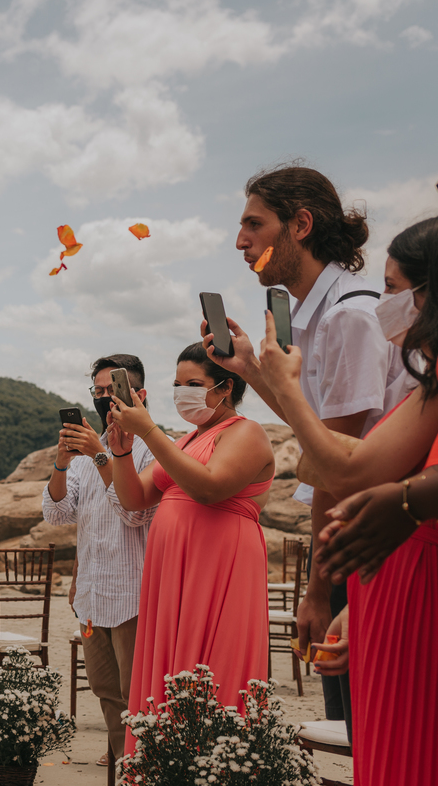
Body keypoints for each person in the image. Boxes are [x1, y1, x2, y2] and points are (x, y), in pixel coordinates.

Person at [202, 165, 406, 731]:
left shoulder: (349, 318)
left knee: (363, 723)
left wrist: (319, 589)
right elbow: (311, 422)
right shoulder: (315, 316)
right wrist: (247, 366)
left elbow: (333, 461)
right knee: (351, 725)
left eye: (253, 224)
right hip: (354, 533)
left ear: (301, 224)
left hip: (367, 539)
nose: (241, 241)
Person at [258, 216, 438, 785]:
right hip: (388, 603)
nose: (383, 303)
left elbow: (346, 466)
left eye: (392, 288)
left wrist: (286, 389)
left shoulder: (350, 322)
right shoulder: (431, 387)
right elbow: (345, 462)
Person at [109, 343, 274, 753]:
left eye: (194, 384)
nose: (183, 392)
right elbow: (133, 498)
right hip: (172, 575)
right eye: (178, 384)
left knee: (214, 669)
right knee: (168, 671)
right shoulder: (184, 442)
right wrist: (122, 450)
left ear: (225, 387)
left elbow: (208, 487)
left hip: (220, 567)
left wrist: (149, 431)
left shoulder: (246, 432)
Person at [43, 354, 157, 768]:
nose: (104, 399)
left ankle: (144, 767)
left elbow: (135, 512)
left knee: (135, 693)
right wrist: (61, 461)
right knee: (105, 690)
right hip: (92, 592)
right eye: (99, 391)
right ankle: (127, 764)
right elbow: (58, 514)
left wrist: (100, 455)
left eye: (114, 391)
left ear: (139, 395)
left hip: (134, 593)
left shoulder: (153, 449)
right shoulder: (89, 451)